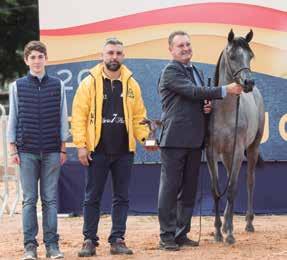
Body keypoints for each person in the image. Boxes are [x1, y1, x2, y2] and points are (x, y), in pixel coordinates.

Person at [157, 31, 244, 251]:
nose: (185, 48)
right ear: (171, 50)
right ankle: (166, 235)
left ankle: (181, 232)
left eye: (187, 44)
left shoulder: (195, 70)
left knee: (189, 189)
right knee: (169, 189)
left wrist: (205, 108)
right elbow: (193, 91)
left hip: (195, 140)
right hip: (174, 140)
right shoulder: (170, 71)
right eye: (180, 46)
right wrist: (226, 90)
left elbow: (196, 98)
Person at [71, 38, 152, 257]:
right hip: (97, 151)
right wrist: (81, 146)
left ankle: (117, 239)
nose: (114, 57)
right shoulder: (89, 82)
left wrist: (146, 139)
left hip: (124, 152)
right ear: (102, 56)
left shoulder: (131, 83)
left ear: (123, 56)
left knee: (122, 197)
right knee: (92, 197)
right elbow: (78, 116)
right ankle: (89, 240)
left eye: (118, 53)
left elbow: (138, 117)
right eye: (110, 53)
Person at [7, 41, 69, 259]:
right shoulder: (17, 86)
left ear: (46, 59)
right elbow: (13, 118)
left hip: (52, 150)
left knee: (50, 199)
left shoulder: (58, 85)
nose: (36, 61)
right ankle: (29, 247)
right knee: (29, 200)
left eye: (40, 56)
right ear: (26, 60)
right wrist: (13, 148)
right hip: (26, 151)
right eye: (32, 57)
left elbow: (63, 118)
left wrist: (63, 147)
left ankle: (52, 246)